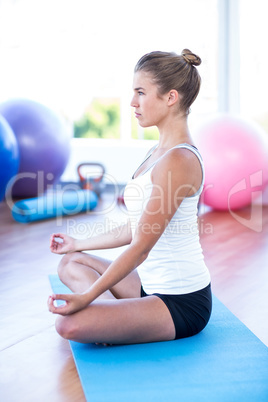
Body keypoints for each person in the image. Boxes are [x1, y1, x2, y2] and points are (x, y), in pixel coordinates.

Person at [48, 49, 212, 345]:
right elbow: (139, 225)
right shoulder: (156, 153)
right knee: (71, 262)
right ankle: (114, 319)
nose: (133, 102)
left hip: (180, 302)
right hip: (148, 286)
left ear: (170, 98)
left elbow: (140, 248)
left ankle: (109, 320)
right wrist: (79, 243)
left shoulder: (180, 161)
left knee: (69, 326)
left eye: (140, 92)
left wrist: (87, 297)